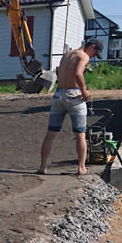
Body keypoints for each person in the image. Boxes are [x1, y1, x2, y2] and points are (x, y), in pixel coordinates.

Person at [38, 39, 102, 175]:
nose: (92, 57)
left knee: (50, 133)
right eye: (95, 53)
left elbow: (60, 73)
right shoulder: (83, 56)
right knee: (80, 134)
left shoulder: (66, 55)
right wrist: (84, 91)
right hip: (74, 95)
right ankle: (81, 167)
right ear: (92, 47)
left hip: (58, 94)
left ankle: (42, 167)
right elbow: (78, 74)